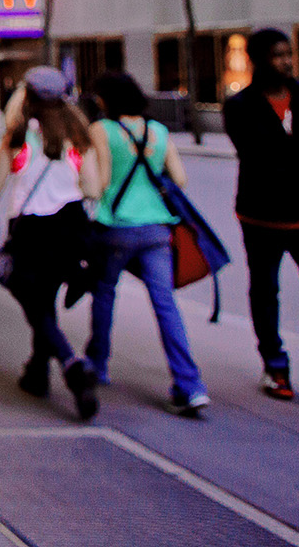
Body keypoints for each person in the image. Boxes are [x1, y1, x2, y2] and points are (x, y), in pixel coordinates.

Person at [85, 71, 211, 415]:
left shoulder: (102, 130)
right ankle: (189, 384)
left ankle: (97, 363)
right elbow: (179, 179)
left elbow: (102, 181)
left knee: (104, 293)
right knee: (165, 305)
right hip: (157, 229)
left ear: (105, 99)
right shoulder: (159, 131)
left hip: (116, 227)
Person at [0, 67, 103, 419]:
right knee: (45, 300)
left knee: (34, 304)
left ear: (28, 96)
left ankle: (71, 365)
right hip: (70, 227)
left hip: (31, 231)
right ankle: (37, 373)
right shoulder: (78, 135)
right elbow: (93, 188)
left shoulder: (19, 135)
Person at [222, 28, 299, 400]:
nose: (286, 61)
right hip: (261, 217)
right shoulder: (240, 106)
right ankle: (275, 366)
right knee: (265, 291)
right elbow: (256, 155)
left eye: (289, 54)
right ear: (258, 59)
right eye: (277, 55)